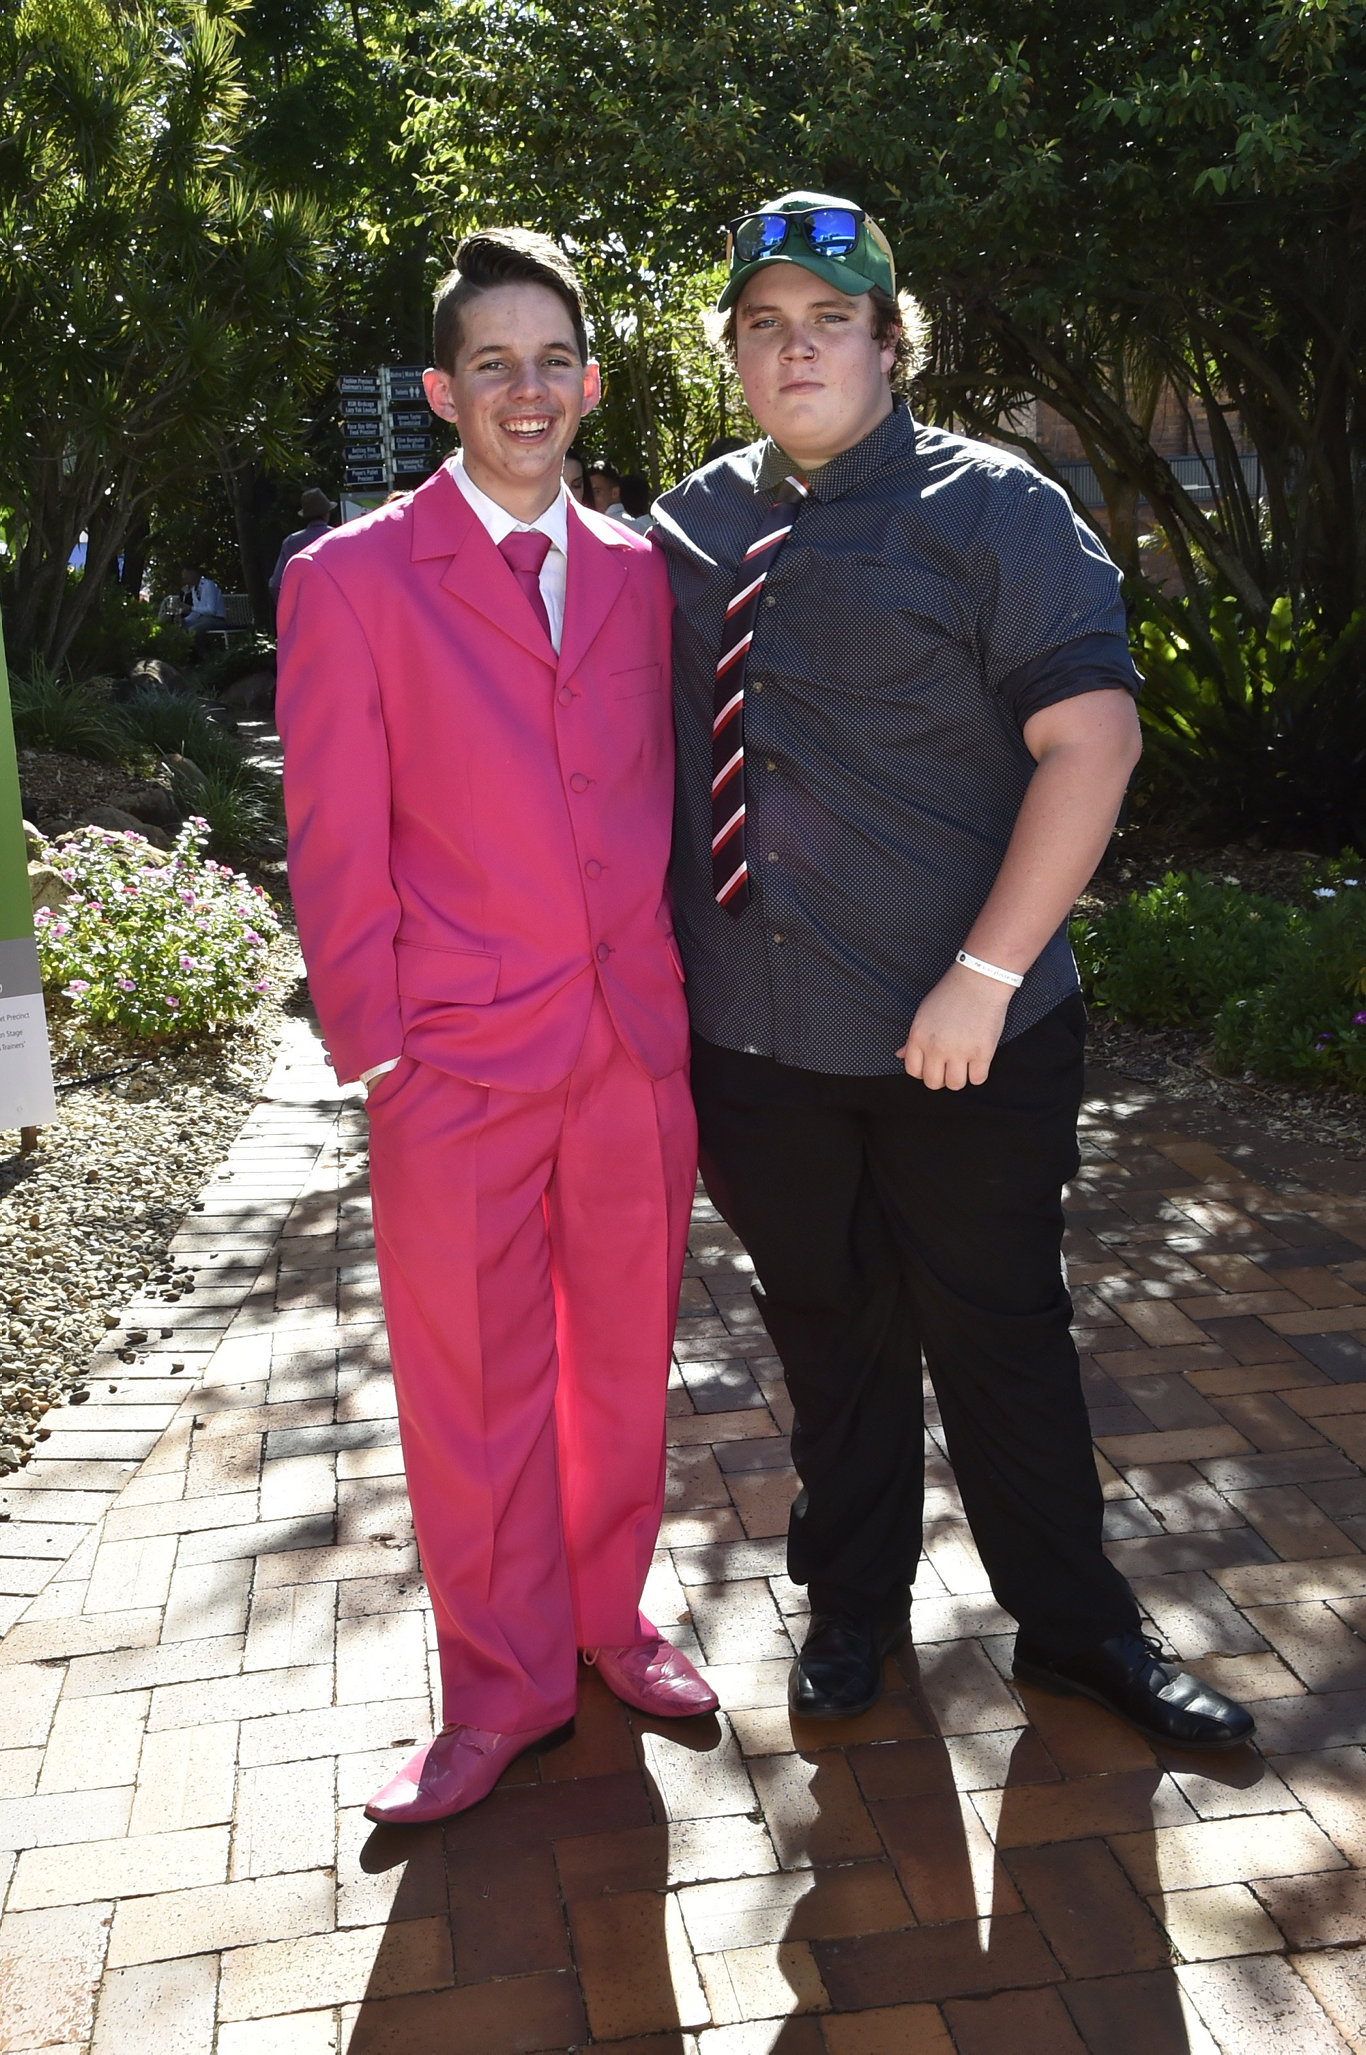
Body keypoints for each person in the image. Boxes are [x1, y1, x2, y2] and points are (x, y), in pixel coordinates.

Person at [650, 191, 1254, 1752]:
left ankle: (1073, 1629)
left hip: (963, 1036)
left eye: (829, 321)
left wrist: (985, 972)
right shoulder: (682, 528)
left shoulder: (994, 511)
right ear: (731, 349)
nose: (796, 350)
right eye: (765, 323)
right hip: (760, 1044)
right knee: (825, 1332)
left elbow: (1092, 740)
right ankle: (853, 1607)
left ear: (890, 341)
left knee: (999, 1339)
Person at [276, 226, 715, 1828]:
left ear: (588, 385)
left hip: (628, 1050)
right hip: (452, 1063)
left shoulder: (638, 571)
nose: (525, 391)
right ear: (441, 390)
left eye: (551, 362)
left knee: (620, 1370)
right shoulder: (349, 580)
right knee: (472, 1394)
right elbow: (331, 834)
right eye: (491, 364)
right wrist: (376, 1045)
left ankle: (610, 1621)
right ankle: (502, 1684)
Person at [268, 488, 335, 597]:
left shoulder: (291, 542)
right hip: (336, 607)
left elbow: (275, 585)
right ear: (327, 513)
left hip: (304, 608)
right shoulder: (337, 538)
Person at [180, 564, 225, 649]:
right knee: (182, 627)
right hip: (202, 619)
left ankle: (204, 657)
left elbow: (212, 610)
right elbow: (196, 613)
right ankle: (189, 656)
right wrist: (184, 620)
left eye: (186, 577)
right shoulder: (194, 589)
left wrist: (191, 608)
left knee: (193, 630)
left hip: (216, 619)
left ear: (193, 574)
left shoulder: (208, 585)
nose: (185, 580)